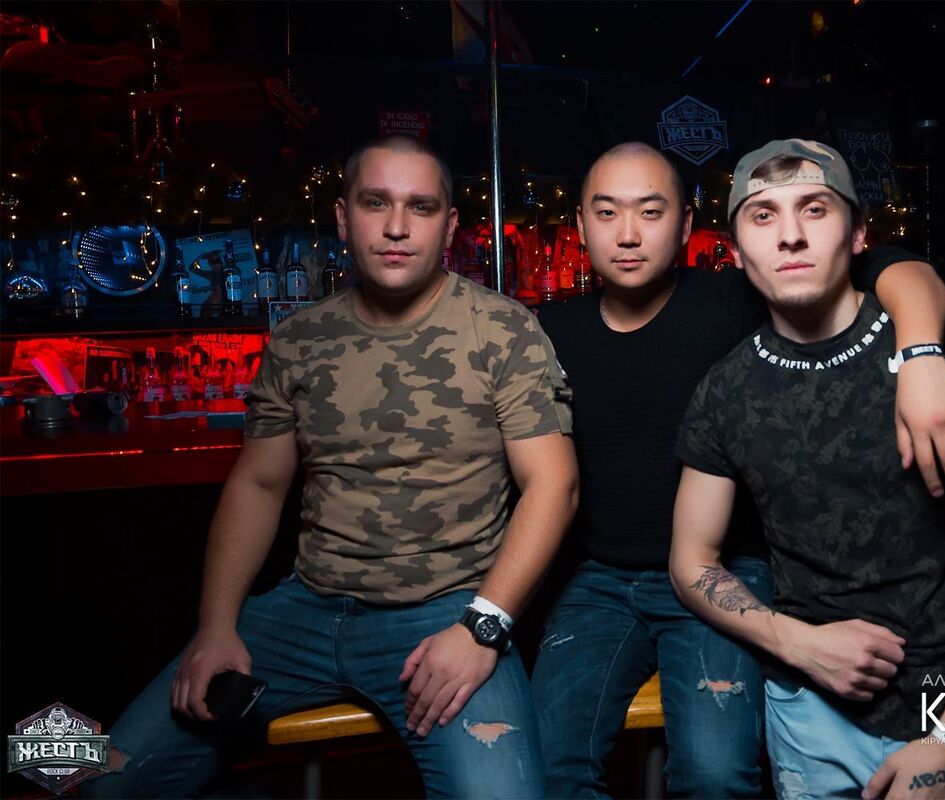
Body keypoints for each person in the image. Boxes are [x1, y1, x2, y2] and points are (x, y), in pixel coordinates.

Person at [83, 135, 578, 799]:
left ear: (450, 226)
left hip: (445, 612)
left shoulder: (502, 329)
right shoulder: (298, 339)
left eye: (421, 207)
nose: (397, 227)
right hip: (302, 611)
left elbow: (554, 485)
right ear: (343, 218)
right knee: (97, 777)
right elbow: (259, 484)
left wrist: (482, 628)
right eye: (376, 203)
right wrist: (216, 625)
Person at [532, 141, 945, 798]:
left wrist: (920, 353)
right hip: (598, 579)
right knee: (549, 763)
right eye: (607, 213)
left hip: (724, 567)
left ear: (687, 226)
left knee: (716, 773)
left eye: (651, 212)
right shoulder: (549, 330)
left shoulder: (739, 294)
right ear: (579, 226)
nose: (628, 234)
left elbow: (897, 266)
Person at [670, 138, 945, 799]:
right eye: (763, 215)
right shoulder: (724, 392)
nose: (790, 235)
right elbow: (690, 562)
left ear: (857, 233)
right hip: (813, 723)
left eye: (815, 209)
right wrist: (793, 642)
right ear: (734, 249)